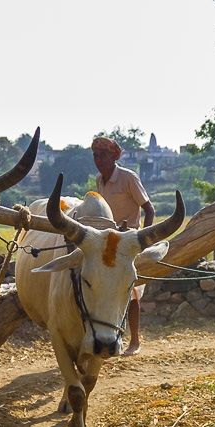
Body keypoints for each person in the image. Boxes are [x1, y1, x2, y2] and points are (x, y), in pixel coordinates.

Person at [92, 136, 153, 355]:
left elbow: (149, 209)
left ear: (113, 156)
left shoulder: (128, 177)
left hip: (128, 241)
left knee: (131, 290)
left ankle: (134, 341)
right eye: (96, 155)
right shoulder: (100, 180)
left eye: (103, 155)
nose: (99, 159)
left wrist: (143, 241)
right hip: (106, 241)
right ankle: (105, 335)